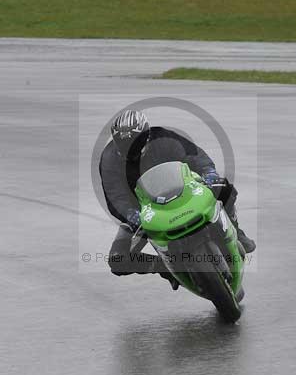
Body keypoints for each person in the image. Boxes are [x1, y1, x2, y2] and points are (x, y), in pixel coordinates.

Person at [99, 109, 255, 287]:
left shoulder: (164, 138)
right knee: (118, 261)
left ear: (146, 134)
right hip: (144, 212)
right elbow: (114, 195)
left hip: (185, 192)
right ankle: (164, 268)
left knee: (223, 187)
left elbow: (194, 155)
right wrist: (130, 215)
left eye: (134, 142)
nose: (129, 148)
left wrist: (209, 173)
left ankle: (237, 231)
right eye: (123, 143)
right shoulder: (109, 158)